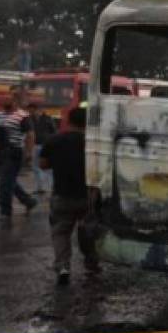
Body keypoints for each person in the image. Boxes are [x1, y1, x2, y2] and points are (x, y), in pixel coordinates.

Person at [40, 107, 100, 284]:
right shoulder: (94, 142)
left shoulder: (54, 139)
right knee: (87, 231)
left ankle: (63, 266)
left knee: (60, 232)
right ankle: (92, 264)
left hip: (62, 194)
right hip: (87, 196)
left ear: (68, 120)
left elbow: (43, 164)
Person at [0, 91, 38, 218]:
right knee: (9, 180)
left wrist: (28, 152)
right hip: (0, 152)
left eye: (7, 99)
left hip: (14, 151)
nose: (4, 102)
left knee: (5, 182)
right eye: (3, 99)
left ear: (14, 101)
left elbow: (30, 134)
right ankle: (29, 201)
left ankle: (5, 211)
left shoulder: (22, 116)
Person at [27, 102, 57, 194]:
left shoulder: (48, 118)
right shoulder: (29, 119)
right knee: (35, 167)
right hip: (35, 144)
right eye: (29, 110)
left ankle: (53, 187)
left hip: (45, 145)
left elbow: (53, 131)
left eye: (31, 110)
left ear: (37, 109)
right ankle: (39, 187)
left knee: (48, 167)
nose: (30, 112)